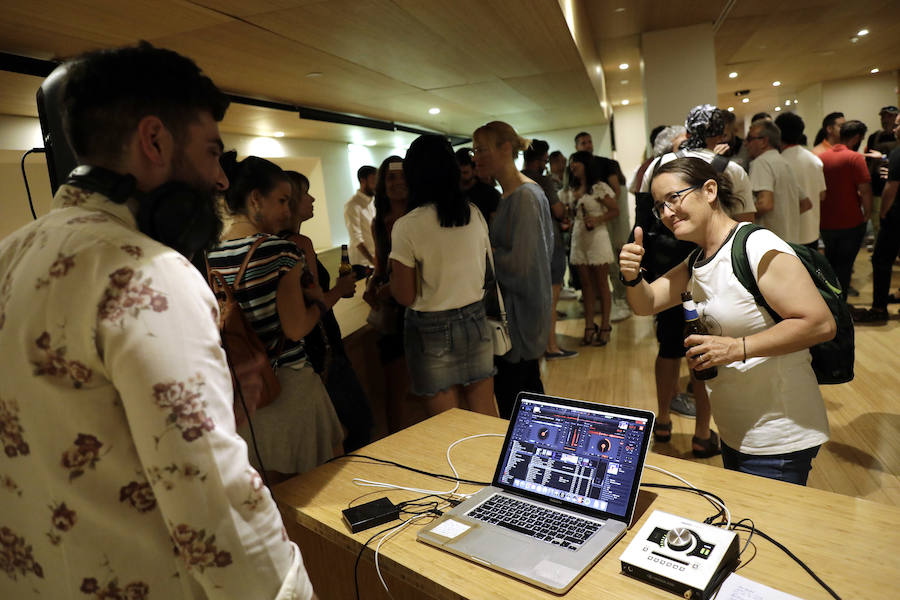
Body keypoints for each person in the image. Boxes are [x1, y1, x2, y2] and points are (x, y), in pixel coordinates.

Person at [0, 43, 315, 599]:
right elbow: (215, 503)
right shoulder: (154, 275)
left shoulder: (9, 256)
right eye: (212, 153)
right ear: (154, 140)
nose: (221, 180)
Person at [620, 157, 835, 484]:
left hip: (779, 434)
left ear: (709, 190)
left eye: (673, 198)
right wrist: (632, 277)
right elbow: (647, 304)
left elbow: (819, 323)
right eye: (659, 206)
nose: (666, 213)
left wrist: (737, 348)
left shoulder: (756, 245)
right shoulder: (697, 260)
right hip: (735, 429)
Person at [209, 153, 344, 480]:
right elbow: (296, 328)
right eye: (282, 201)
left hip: (246, 390)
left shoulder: (211, 253)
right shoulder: (281, 250)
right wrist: (319, 304)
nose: (287, 211)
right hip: (289, 385)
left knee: (270, 490)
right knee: (317, 484)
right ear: (256, 199)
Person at [388, 135, 498, 417]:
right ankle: (494, 462)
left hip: (430, 329)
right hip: (475, 318)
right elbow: (486, 273)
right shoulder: (473, 213)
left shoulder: (407, 226)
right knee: (485, 413)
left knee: (447, 425)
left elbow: (405, 295)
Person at [282, 170, 373, 451]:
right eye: (305, 193)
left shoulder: (279, 243)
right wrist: (338, 290)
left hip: (299, 355)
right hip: (321, 348)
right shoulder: (299, 244)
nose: (311, 198)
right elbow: (317, 300)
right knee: (356, 426)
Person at [473, 121, 554, 419]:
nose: (476, 157)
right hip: (514, 319)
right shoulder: (511, 195)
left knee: (521, 403)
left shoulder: (525, 196)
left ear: (505, 148)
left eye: (482, 149)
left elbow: (522, 265)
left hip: (519, 320)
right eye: (474, 150)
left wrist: (486, 257)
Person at [365, 155, 424, 431]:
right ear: (382, 184)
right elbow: (379, 265)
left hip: (422, 304)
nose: (397, 182)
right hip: (394, 312)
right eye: (390, 177)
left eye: (402, 176)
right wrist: (372, 285)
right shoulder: (379, 222)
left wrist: (390, 287)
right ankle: (396, 440)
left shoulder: (421, 217)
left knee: (427, 385)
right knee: (394, 385)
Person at [521, 139, 576, 360]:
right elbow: (558, 210)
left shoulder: (517, 178)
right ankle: (551, 346)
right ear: (542, 159)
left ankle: (537, 345)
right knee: (551, 301)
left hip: (526, 245)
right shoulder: (543, 180)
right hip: (549, 243)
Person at [560, 151, 618, 346]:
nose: (573, 165)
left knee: (602, 284)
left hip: (598, 238)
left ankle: (605, 326)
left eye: (576, 162)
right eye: (571, 162)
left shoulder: (598, 188)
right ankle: (588, 325)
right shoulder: (570, 190)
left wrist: (598, 218)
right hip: (579, 237)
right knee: (585, 285)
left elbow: (615, 210)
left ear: (586, 164)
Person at [819, 120, 872, 301]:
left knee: (831, 266)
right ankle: (841, 307)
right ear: (857, 138)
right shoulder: (855, 158)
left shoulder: (821, 157)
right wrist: (868, 213)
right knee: (845, 266)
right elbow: (865, 191)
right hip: (850, 221)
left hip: (826, 222)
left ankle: (832, 303)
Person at [856, 110, 900, 323]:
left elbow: (891, 187)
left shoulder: (898, 153)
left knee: (881, 260)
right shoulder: (886, 145)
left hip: (895, 215)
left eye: (897, 124)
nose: (894, 128)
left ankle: (879, 309)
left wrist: (883, 210)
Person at [746, 118, 809, 243]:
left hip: (771, 243)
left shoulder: (761, 162)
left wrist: (741, 214)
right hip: (790, 241)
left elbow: (765, 204)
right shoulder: (784, 162)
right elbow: (806, 203)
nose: (745, 144)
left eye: (749, 139)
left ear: (764, 141)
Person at [775, 112, 827, 251]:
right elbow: (822, 195)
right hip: (812, 232)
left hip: (787, 235)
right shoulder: (814, 159)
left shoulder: (778, 163)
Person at [863, 106, 900, 240]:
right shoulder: (874, 137)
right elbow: (868, 162)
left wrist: (884, 158)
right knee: (878, 221)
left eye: (889, 116)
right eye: (883, 116)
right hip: (877, 186)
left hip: (896, 187)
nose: (885, 120)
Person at [343, 165, 377, 267]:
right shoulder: (352, 205)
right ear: (363, 180)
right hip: (362, 263)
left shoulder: (373, 202)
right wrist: (372, 260)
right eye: (374, 181)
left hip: (375, 261)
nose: (376, 184)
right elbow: (356, 238)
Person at [456, 147, 500, 224]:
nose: (460, 176)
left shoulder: (490, 194)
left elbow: (495, 224)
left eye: (465, 173)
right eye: (457, 172)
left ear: (475, 170)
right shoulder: (451, 193)